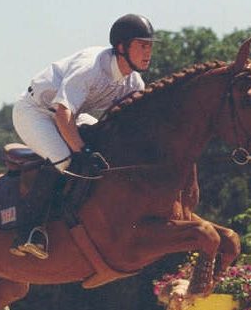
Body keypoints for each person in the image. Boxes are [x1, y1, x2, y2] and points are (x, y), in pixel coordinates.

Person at [9, 13, 157, 259]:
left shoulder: (134, 83)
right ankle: (28, 232)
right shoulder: (90, 68)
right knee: (65, 158)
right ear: (121, 47)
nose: (148, 52)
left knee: (105, 146)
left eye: (150, 46)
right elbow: (62, 114)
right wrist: (82, 150)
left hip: (71, 115)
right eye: (142, 45)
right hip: (35, 112)